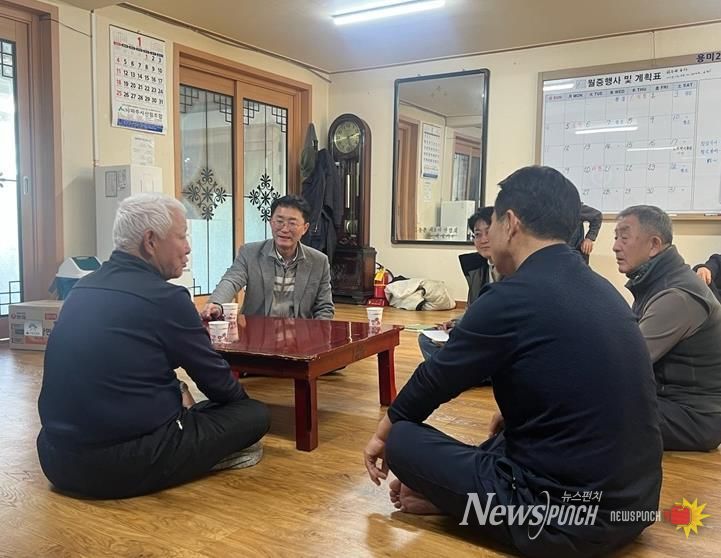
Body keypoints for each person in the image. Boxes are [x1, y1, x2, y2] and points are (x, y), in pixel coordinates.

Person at [364, 166, 662, 557]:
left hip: (562, 523)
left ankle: (457, 503)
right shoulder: (603, 290)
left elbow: (434, 380)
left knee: (404, 440)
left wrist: (382, 437)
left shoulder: (512, 296)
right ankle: (455, 500)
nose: (488, 235)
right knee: (505, 429)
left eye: (492, 224)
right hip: (636, 507)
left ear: (511, 223)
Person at [37, 193, 270, 499]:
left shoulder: (82, 287)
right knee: (254, 414)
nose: (188, 247)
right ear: (150, 241)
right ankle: (201, 457)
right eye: (182, 236)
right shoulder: (167, 299)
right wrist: (238, 410)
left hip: (54, 456)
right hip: (118, 464)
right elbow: (220, 386)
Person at [613, 205, 721, 451]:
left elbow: (624, 362)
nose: (616, 246)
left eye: (624, 238)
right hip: (673, 405)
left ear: (654, 245)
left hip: (695, 417)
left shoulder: (677, 296)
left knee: (589, 408)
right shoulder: (657, 282)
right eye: (615, 237)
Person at [201, 194, 334, 321]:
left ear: (305, 228)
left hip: (299, 333)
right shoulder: (250, 253)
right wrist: (216, 303)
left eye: (292, 223)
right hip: (257, 331)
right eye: (279, 221)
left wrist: (316, 333)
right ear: (270, 222)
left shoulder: (319, 261)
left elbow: (324, 308)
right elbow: (231, 280)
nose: (284, 229)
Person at [417, 207, 499, 361]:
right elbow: (475, 310)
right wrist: (456, 323)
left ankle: (453, 366)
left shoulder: (514, 268)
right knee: (426, 338)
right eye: (478, 234)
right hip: (477, 333)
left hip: (496, 337)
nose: (483, 240)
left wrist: (463, 331)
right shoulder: (478, 268)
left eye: (488, 232)